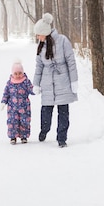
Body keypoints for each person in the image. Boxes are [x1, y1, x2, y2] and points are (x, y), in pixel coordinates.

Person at [32, 13, 78, 148]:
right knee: (46, 111)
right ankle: (44, 130)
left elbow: (71, 61)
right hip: (47, 82)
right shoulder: (41, 46)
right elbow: (39, 66)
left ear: (45, 33)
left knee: (63, 112)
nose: (37, 37)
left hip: (62, 80)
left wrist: (74, 81)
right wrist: (36, 83)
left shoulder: (63, 41)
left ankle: (62, 138)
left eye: (38, 34)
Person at [1, 60, 34, 145]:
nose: (18, 75)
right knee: (12, 121)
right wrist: (3, 102)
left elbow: (31, 90)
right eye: (15, 73)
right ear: (12, 74)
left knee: (24, 121)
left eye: (20, 73)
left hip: (24, 106)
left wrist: (36, 90)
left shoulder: (25, 81)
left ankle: (24, 136)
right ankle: (13, 137)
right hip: (12, 107)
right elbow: (6, 93)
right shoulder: (10, 83)